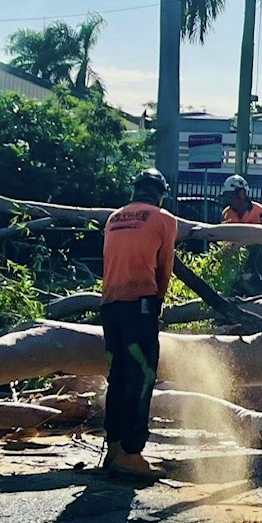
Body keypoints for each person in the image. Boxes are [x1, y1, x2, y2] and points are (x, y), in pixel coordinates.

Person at [99, 167, 178, 481]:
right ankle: (133, 453)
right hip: (139, 305)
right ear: (159, 194)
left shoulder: (113, 218)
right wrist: (157, 304)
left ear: (135, 191)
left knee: (117, 375)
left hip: (110, 306)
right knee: (142, 375)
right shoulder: (164, 219)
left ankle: (115, 448)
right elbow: (164, 268)